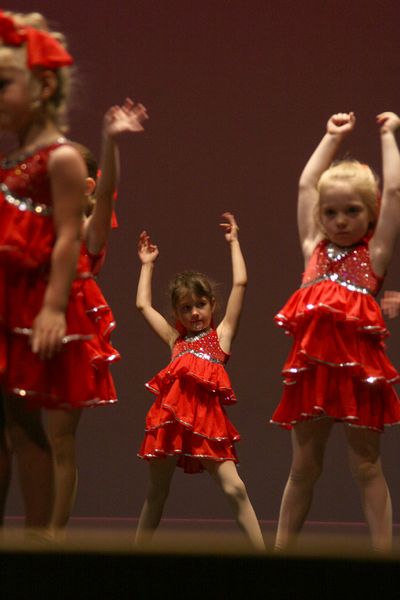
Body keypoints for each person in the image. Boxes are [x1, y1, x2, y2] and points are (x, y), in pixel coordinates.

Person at [0, 10, 116, 532]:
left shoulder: (63, 158)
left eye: (3, 84)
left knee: (26, 427)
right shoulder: (13, 157)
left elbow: (69, 236)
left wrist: (51, 308)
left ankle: (39, 541)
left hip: (29, 306)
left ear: (44, 84)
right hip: (4, 298)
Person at [271, 111, 400, 552]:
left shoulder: (375, 256)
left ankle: (384, 556)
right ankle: (280, 553)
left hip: (359, 377)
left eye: (353, 211)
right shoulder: (313, 246)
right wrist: (330, 137)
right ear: (319, 216)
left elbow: (397, 190)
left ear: (371, 214)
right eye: (332, 212)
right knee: (303, 469)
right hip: (313, 377)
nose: (341, 220)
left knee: (366, 467)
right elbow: (307, 186)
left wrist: (389, 136)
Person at [46, 99, 148, 533]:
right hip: (20, 329)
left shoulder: (92, 229)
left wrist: (110, 141)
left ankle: (49, 537)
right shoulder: (32, 228)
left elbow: (105, 195)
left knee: (59, 443)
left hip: (70, 335)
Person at [135, 213, 265, 551]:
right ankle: (135, 556)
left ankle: (264, 557)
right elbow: (142, 305)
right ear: (177, 314)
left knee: (235, 489)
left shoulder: (222, 336)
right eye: (186, 307)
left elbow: (240, 284)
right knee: (157, 491)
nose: (194, 313)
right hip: (171, 421)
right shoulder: (174, 341)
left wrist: (234, 242)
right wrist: (147, 264)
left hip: (207, 423)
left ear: (212, 305)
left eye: (201, 305)